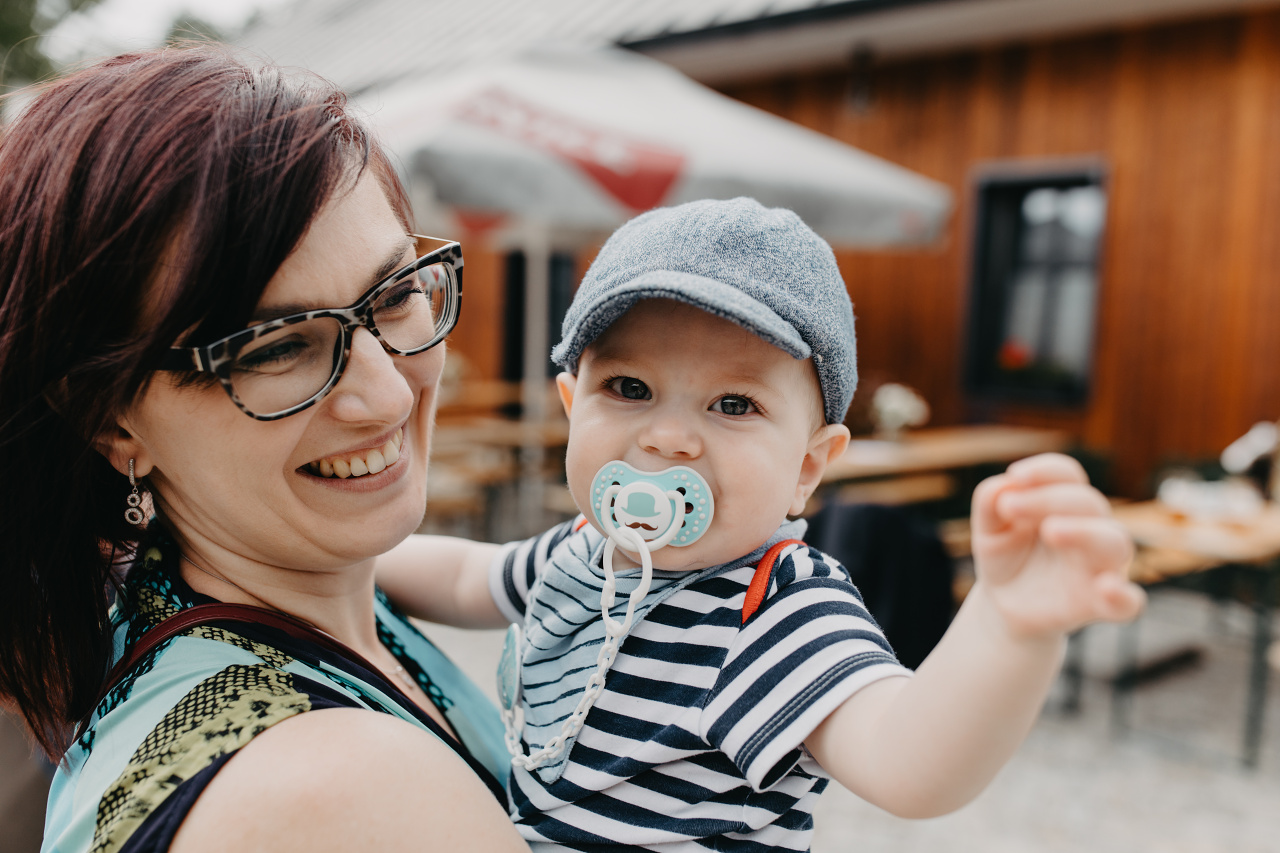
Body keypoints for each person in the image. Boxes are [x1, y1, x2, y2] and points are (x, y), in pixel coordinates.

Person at [379, 197, 1146, 851]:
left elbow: (909, 759)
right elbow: (462, 576)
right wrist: (341, 559)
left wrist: (1009, 626)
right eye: (631, 386)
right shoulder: (583, 550)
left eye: (734, 404)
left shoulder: (774, 607)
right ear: (574, 406)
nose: (668, 436)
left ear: (809, 466)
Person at [0, 46, 532, 852]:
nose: (388, 393)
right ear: (112, 420)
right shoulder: (344, 794)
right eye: (277, 347)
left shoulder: (234, 606)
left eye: (394, 295)